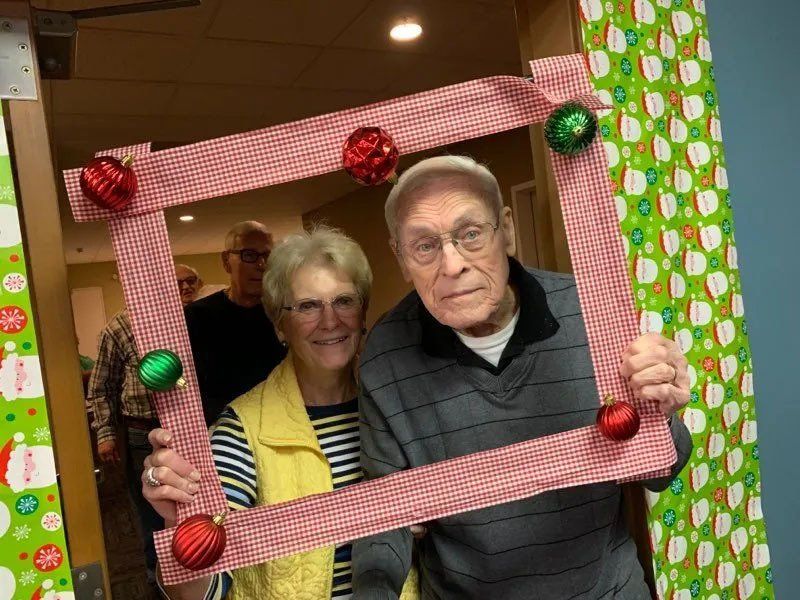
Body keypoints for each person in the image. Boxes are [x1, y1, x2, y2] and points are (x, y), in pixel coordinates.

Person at [351, 156, 693, 599]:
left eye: (470, 234)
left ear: (507, 230)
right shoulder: (386, 354)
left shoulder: (593, 312)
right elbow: (386, 512)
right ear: (400, 258)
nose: (452, 265)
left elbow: (662, 471)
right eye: (424, 246)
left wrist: (660, 415)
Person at [142, 227, 419, 600]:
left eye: (344, 300)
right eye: (307, 305)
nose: (330, 320)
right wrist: (182, 527)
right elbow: (199, 592)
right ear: (279, 325)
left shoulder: (398, 405)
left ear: (363, 311)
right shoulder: (242, 431)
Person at [87, 263, 202, 588]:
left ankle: (206, 570)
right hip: (142, 433)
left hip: (196, 427)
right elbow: (101, 387)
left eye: (191, 282)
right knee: (153, 509)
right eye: (177, 282)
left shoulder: (203, 320)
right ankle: (159, 580)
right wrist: (105, 436)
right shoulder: (122, 326)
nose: (185, 288)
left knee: (201, 500)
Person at [184, 221, 286, 425]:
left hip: (279, 423)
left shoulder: (285, 313)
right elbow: (184, 384)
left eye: (268, 256)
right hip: (219, 428)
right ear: (226, 261)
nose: (261, 265)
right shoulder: (196, 317)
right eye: (249, 255)